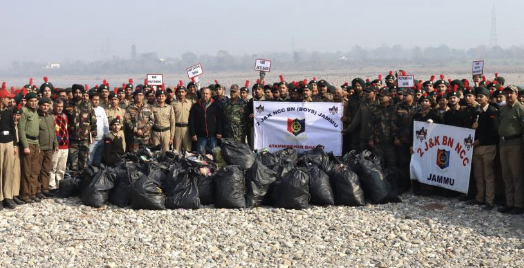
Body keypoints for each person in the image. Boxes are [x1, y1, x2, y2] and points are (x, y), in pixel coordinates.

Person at [471, 86, 499, 210]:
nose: (479, 98)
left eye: (481, 96)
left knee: (488, 174)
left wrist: (480, 141)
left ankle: (489, 200)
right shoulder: (476, 112)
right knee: (478, 174)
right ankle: (479, 197)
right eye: (478, 96)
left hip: (488, 146)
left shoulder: (492, 111)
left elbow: (494, 131)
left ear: (487, 98)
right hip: (477, 147)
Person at [497, 85, 524, 214]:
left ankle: (518, 204)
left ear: (516, 94)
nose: (508, 95)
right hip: (503, 144)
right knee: (506, 175)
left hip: (515, 144)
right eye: (507, 93)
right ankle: (509, 202)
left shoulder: (520, 109)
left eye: (511, 93)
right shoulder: (504, 109)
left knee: (516, 175)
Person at [65, 84, 97, 176]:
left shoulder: (88, 105)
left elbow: (93, 121)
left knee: (84, 162)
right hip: (72, 138)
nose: (78, 94)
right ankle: (73, 182)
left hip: (84, 138)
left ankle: (83, 183)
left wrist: (94, 134)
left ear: (82, 94)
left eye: (80, 92)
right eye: (76, 92)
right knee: (73, 164)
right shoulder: (68, 105)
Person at [392, 88, 420, 193]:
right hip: (402, 140)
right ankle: (404, 186)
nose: (403, 97)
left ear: (412, 96)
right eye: (403, 95)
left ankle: (416, 186)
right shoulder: (398, 107)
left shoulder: (419, 107)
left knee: (416, 163)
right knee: (403, 163)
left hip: (417, 141)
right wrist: (395, 137)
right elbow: (393, 124)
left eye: (406, 95)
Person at [18, 92, 42, 203]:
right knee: (26, 171)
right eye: (31, 101)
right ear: (27, 101)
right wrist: (25, 146)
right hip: (28, 143)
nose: (33, 103)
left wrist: (39, 145)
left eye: (35, 101)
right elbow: (21, 129)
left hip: (36, 143)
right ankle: (25, 194)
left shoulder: (36, 112)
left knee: (35, 170)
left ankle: (32, 193)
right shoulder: (24, 111)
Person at [342, 86, 378, 151]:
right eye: (366, 92)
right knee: (364, 158)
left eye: (369, 92)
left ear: (375, 92)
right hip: (364, 136)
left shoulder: (379, 104)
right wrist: (347, 129)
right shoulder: (363, 104)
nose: (366, 93)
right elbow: (356, 121)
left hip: (377, 138)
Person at [188, 87, 223, 155]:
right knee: (201, 156)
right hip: (200, 136)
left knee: (215, 155)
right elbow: (191, 120)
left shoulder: (215, 106)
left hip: (213, 136)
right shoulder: (196, 106)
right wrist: (193, 133)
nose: (205, 95)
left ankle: (214, 165)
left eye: (207, 93)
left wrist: (219, 132)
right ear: (201, 94)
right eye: (203, 93)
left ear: (210, 94)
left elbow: (220, 120)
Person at [370, 89, 397, 169]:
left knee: (392, 163)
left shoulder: (394, 109)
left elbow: (397, 125)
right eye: (379, 96)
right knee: (379, 164)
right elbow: (371, 125)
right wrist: (371, 139)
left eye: (382, 96)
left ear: (389, 97)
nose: (380, 98)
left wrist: (396, 138)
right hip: (378, 141)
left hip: (391, 141)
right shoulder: (375, 110)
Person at [36, 97, 57, 198]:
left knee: (46, 169)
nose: (45, 107)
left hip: (49, 148)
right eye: (44, 105)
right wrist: (37, 146)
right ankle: (38, 189)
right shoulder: (36, 116)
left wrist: (55, 144)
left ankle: (45, 189)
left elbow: (53, 132)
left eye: (47, 106)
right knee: (38, 169)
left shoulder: (50, 117)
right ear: (39, 106)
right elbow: (35, 133)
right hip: (40, 147)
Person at [0, 88, 17, 209]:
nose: (10, 100)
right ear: (2, 99)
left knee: (8, 170)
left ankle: (8, 196)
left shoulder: (9, 112)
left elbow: (12, 127)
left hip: (9, 142)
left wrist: (15, 144)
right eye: (7, 98)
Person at [49, 99, 69, 192]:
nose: (60, 108)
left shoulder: (65, 116)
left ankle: (60, 185)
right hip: (56, 146)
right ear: (54, 106)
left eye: (61, 106)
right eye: (58, 106)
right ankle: (52, 186)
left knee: (62, 168)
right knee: (53, 167)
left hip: (65, 146)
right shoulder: (51, 116)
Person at [88, 91, 109, 166]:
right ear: (90, 100)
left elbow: (105, 123)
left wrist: (106, 135)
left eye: (98, 99)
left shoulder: (101, 110)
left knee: (97, 160)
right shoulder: (87, 110)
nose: (96, 101)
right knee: (89, 159)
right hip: (91, 140)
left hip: (101, 140)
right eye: (94, 99)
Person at [172, 86, 194, 152]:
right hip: (176, 128)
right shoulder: (173, 103)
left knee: (188, 150)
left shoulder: (190, 103)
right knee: (176, 150)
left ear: (185, 93)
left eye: (182, 92)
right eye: (179, 92)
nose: (181, 94)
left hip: (187, 129)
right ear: (176, 93)